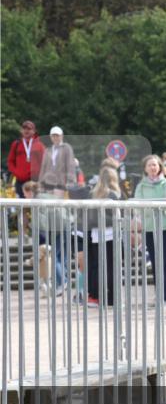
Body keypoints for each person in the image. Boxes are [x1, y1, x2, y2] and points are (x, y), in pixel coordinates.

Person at [133, 154, 166, 306]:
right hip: (150, 228)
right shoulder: (141, 186)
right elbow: (138, 206)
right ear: (145, 169)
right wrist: (152, 208)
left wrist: (150, 207)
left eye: (155, 164)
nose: (153, 167)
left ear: (160, 167)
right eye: (150, 165)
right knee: (155, 262)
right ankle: (160, 295)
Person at [85, 167, 122, 307]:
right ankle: (112, 298)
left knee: (98, 266)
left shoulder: (93, 194)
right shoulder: (113, 194)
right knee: (112, 267)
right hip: (111, 234)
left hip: (96, 235)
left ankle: (96, 296)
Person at [7, 120, 45, 198]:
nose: (26, 131)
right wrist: (16, 173)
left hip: (34, 182)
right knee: (21, 204)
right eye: (24, 128)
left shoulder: (39, 145)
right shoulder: (16, 144)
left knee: (34, 203)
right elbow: (10, 161)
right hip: (20, 181)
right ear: (21, 130)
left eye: (29, 129)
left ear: (34, 131)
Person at [39, 126, 76, 197]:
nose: (55, 138)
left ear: (62, 136)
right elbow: (43, 167)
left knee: (58, 202)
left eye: (57, 135)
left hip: (61, 183)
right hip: (47, 183)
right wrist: (40, 183)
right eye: (53, 136)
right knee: (48, 202)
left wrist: (70, 181)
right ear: (50, 137)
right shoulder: (48, 150)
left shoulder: (67, 148)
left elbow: (70, 165)